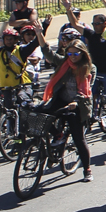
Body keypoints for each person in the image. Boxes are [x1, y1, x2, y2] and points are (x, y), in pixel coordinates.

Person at [34, 25, 95, 182]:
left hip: (78, 105)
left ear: (82, 53)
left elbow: (86, 91)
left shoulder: (88, 68)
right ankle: (58, 135)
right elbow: (47, 52)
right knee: (39, 113)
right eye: (70, 53)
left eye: (76, 53)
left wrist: (76, 102)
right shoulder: (64, 63)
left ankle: (87, 169)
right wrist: (40, 34)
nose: (72, 56)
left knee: (78, 138)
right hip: (61, 99)